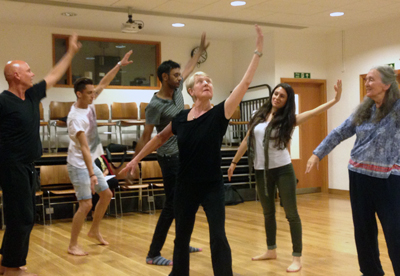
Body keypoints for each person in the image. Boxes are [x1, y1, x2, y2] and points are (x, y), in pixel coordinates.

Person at [121, 24, 263, 276]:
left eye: (209, 81)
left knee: (218, 236)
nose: (207, 83)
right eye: (201, 81)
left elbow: (245, 82)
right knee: (181, 237)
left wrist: (257, 51)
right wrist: (135, 160)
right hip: (185, 186)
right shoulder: (182, 117)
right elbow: (158, 139)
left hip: (211, 186)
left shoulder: (220, 113)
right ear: (191, 91)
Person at [228, 80, 343, 272]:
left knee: (291, 214)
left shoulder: (289, 119)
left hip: (282, 169)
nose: (277, 97)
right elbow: (247, 139)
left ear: (287, 100)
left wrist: (335, 100)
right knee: (267, 213)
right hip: (261, 170)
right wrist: (234, 162)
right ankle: (271, 250)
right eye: (275, 94)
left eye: (282, 96)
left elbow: (314, 112)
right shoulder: (259, 115)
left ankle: (297, 257)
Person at [306, 66, 400, 276]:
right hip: (359, 178)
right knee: (363, 233)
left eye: (371, 80)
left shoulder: (398, 108)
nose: (367, 83)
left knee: (395, 233)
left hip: (388, 180)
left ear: (386, 85)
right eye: (365, 79)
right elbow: (339, 132)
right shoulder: (364, 110)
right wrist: (317, 153)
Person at [0, 34, 81, 276]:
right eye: (28, 71)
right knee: (22, 218)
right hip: (10, 166)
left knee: (22, 216)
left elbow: (54, 75)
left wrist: (70, 53)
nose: (33, 73)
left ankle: (7, 263)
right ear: (16, 76)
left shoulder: (32, 96)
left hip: (26, 166)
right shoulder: (3, 102)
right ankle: (12, 267)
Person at [132, 33, 209, 266]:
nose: (180, 78)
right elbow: (146, 135)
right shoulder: (154, 105)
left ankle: (181, 243)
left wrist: (200, 50)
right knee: (172, 206)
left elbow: (189, 65)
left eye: (179, 75)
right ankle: (153, 254)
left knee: (185, 203)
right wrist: (135, 161)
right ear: (164, 77)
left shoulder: (177, 91)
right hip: (169, 159)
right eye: (175, 76)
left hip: (183, 157)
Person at [66, 50, 133, 256]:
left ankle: (94, 231)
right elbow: (84, 148)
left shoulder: (88, 104)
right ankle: (72, 245)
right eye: (89, 93)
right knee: (85, 204)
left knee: (106, 194)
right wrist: (93, 173)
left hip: (89, 162)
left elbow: (105, 82)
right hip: (78, 165)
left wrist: (119, 66)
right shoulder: (75, 117)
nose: (94, 95)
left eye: (94, 92)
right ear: (79, 93)